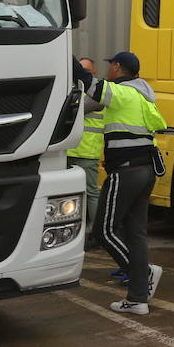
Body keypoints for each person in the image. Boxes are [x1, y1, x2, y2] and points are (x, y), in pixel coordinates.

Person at [77, 51, 167, 314]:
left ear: (117, 67)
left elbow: (89, 83)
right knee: (136, 233)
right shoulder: (142, 95)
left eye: (109, 66)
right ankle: (138, 299)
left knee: (104, 230)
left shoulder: (122, 92)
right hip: (145, 171)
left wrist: (65, 55)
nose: (107, 71)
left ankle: (143, 275)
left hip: (126, 171)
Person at [67, 58, 104, 247]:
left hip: (87, 153)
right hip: (70, 151)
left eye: (86, 71)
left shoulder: (96, 95)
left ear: (94, 73)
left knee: (91, 193)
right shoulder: (77, 91)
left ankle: (96, 233)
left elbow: (74, 110)